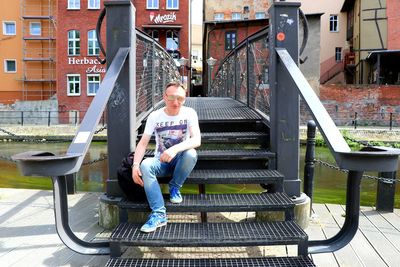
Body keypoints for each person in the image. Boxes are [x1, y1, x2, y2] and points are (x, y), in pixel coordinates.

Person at [132, 81, 201, 233]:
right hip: (161, 162)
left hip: (180, 161)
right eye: (171, 98)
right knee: (146, 165)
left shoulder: (189, 113)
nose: (176, 103)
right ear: (164, 97)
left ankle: (175, 186)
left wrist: (174, 150)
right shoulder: (155, 116)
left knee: (191, 153)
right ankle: (159, 214)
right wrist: (135, 165)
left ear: (185, 98)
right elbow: (143, 143)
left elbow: (197, 140)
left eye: (180, 99)